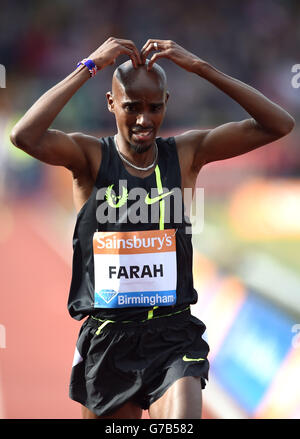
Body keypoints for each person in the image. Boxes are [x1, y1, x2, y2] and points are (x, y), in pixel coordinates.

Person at [10, 37, 294, 419]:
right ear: (111, 104)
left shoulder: (187, 153)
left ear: (166, 104)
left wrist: (200, 67)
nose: (144, 119)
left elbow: (278, 123)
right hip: (108, 337)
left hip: (172, 335)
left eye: (155, 107)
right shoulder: (90, 158)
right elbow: (24, 135)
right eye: (132, 107)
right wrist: (90, 65)